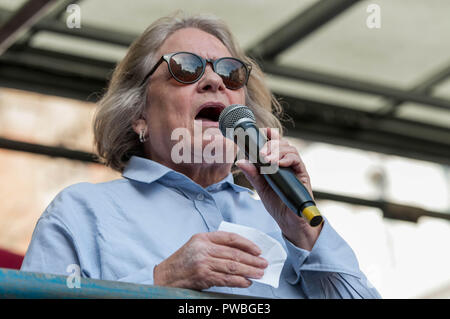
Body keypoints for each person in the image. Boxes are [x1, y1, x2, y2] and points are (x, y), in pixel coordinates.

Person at [21, 12, 381, 299]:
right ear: (138, 114)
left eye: (231, 72)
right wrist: (161, 281)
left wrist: (305, 233)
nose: (215, 82)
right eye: (186, 68)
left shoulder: (283, 223)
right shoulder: (82, 213)